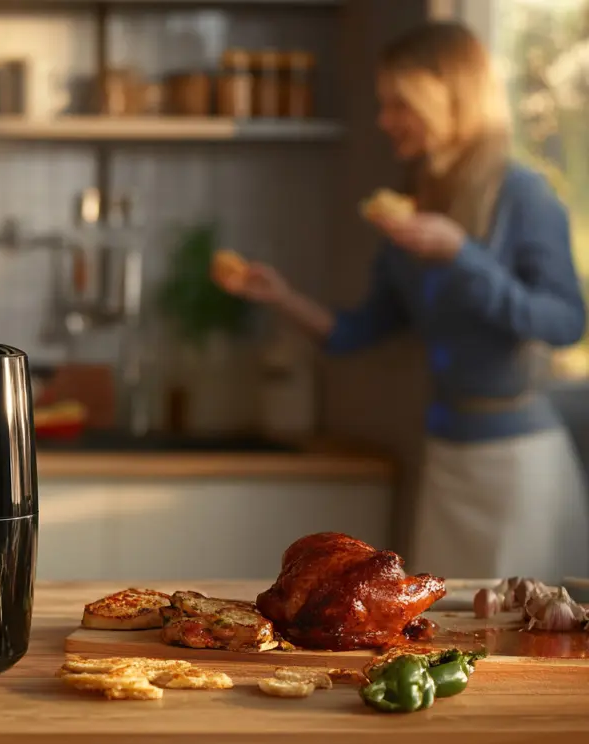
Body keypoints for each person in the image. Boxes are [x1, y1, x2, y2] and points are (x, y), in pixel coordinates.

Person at [215, 21, 589, 581]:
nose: (384, 120)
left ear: (449, 99)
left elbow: (566, 322)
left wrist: (462, 254)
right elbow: (359, 330)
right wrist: (282, 296)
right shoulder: (413, 207)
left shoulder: (523, 195)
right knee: (442, 636)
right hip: (445, 462)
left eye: (399, 103)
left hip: (519, 467)